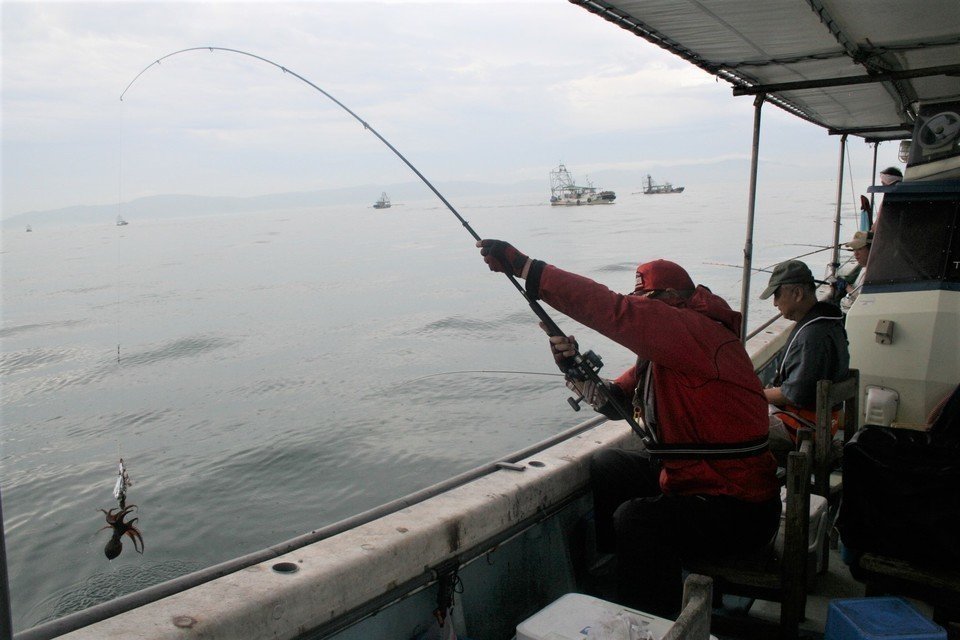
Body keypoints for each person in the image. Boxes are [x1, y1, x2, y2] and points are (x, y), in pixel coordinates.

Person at [476, 239, 780, 618]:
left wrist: (525, 267)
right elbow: (612, 404)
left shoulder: (700, 334)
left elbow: (615, 311)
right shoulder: (664, 354)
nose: (642, 309)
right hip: (698, 482)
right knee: (610, 465)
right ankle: (622, 572)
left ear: (672, 299)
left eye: (647, 300)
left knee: (637, 519)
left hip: (739, 508)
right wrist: (572, 369)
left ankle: (653, 618)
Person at [761, 260, 850, 465]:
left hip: (802, 429)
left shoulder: (812, 337)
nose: (775, 303)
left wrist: (753, 394)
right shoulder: (829, 322)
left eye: (777, 295)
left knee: (725, 424)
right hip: (826, 421)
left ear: (798, 293)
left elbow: (794, 394)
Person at [834, 230, 872, 313]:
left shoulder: (874, 272)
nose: (856, 254)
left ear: (871, 249)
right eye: (854, 249)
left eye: (859, 249)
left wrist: (846, 286)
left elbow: (863, 300)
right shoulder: (864, 268)